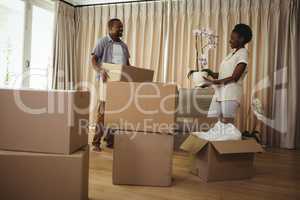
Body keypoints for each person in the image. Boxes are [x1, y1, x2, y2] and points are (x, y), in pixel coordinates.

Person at [200, 23, 253, 140]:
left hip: (230, 93)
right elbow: (225, 73)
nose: (230, 41)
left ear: (241, 39)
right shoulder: (232, 53)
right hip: (220, 92)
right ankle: (217, 147)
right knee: (217, 122)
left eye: (233, 38)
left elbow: (234, 77)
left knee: (227, 123)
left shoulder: (243, 53)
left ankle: (228, 149)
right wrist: (211, 74)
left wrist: (212, 82)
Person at [91, 18, 130, 151]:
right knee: (103, 113)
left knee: (117, 112)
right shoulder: (103, 42)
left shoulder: (124, 46)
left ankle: (110, 140)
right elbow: (93, 60)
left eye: (122, 27)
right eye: (118, 27)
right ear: (110, 28)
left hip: (121, 83)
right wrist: (100, 70)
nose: (121, 30)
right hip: (106, 81)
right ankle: (96, 142)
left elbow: (128, 65)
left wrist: (132, 76)